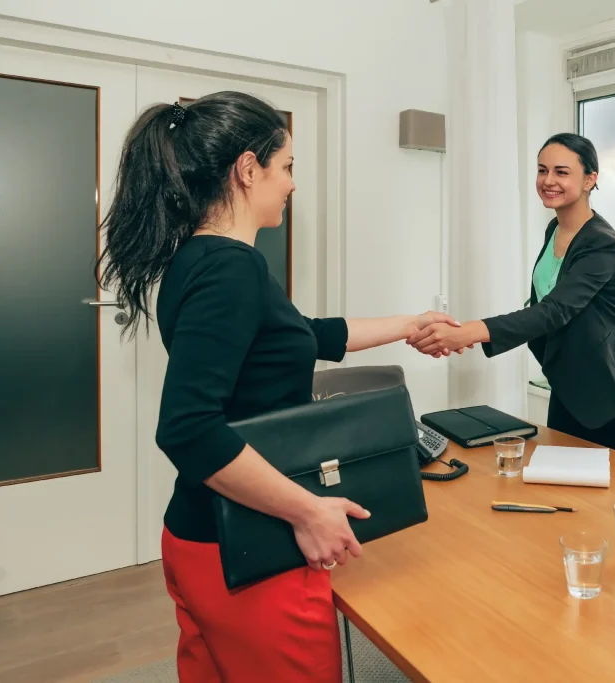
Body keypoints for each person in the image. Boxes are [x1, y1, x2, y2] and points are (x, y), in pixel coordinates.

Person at [96, 91, 457, 681]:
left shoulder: (198, 259)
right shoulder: (231, 269)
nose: (292, 184)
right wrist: (309, 511)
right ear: (247, 168)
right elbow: (187, 428)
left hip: (198, 534)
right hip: (247, 546)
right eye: (286, 167)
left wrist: (407, 324)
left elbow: (302, 334)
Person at [407, 133, 615, 457]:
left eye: (561, 172)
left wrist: (468, 332)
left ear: (589, 180)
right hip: (571, 380)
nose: (548, 180)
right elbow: (541, 304)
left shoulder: (601, 243)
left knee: (603, 493)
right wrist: (468, 334)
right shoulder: (555, 229)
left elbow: (554, 311)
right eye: (542, 170)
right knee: (559, 479)